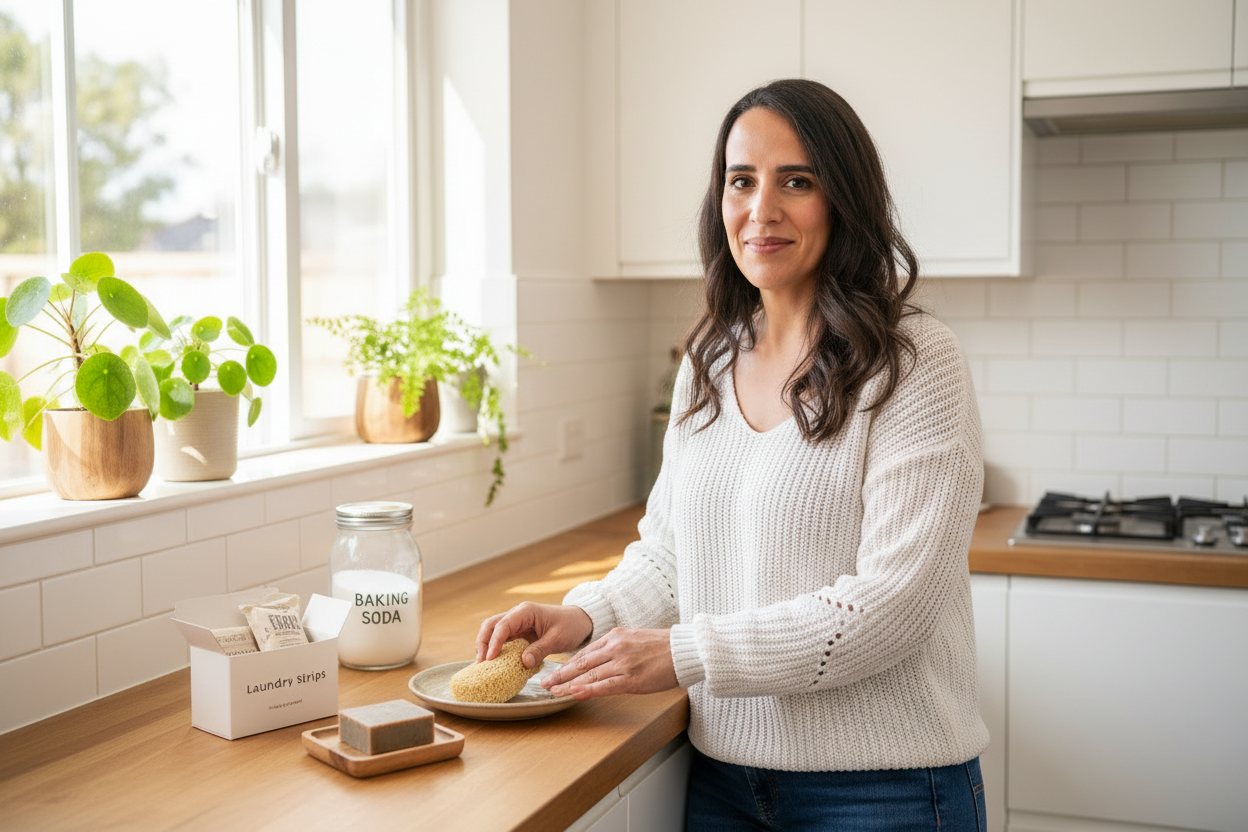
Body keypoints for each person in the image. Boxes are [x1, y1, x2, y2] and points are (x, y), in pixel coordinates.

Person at [475, 78, 987, 831]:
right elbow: (671, 555)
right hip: (725, 782)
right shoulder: (708, 361)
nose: (762, 209)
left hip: (886, 790)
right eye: (741, 180)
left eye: (797, 182)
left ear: (844, 199)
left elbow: (892, 608)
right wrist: (582, 618)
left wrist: (687, 653)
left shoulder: (915, 363)